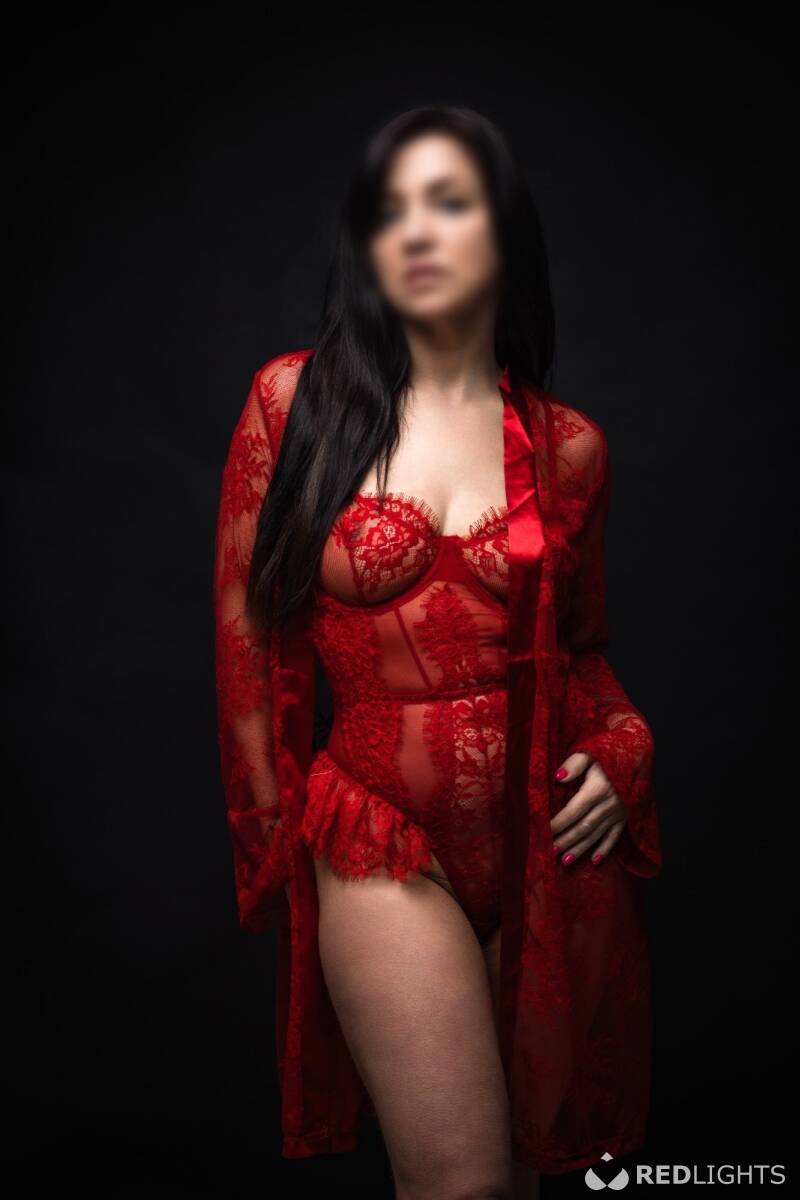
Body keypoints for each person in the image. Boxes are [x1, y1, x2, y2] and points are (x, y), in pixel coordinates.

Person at [212, 104, 662, 1200]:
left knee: (523, 1177)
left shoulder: (570, 447)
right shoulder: (295, 402)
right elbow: (245, 640)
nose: (414, 230)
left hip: (543, 846)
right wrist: (275, 846)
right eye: (390, 210)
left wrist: (627, 744)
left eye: (448, 202)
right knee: (459, 1184)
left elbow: (579, 655)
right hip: (379, 835)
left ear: (503, 232)